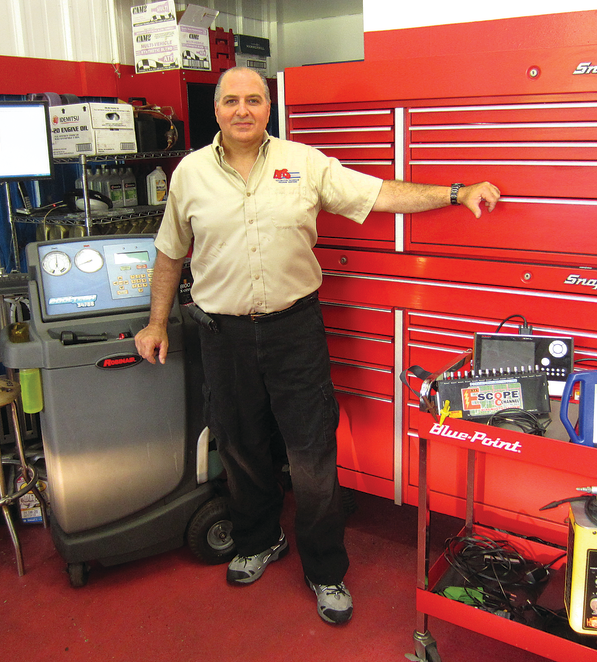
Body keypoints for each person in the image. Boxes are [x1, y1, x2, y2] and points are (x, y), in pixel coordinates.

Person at [135, 66, 500, 625]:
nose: (242, 111)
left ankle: (326, 570)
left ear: (267, 108)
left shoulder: (304, 163)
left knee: (311, 455)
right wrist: (156, 322)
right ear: (216, 109)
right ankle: (260, 540)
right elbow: (169, 252)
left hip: (293, 331)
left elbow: (379, 194)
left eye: (253, 100)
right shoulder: (188, 174)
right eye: (231, 101)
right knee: (241, 447)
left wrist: (457, 192)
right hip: (222, 334)